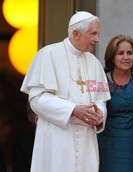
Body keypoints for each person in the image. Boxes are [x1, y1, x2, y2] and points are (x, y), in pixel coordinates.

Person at [20, 11, 111, 172]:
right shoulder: (47, 54)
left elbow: (100, 100)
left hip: (86, 141)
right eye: (93, 34)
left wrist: (99, 114)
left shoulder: (94, 63)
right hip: (56, 139)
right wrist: (73, 110)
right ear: (76, 34)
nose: (97, 39)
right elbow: (36, 99)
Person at [97, 34, 133, 172]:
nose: (126, 57)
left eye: (130, 53)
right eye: (120, 53)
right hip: (107, 147)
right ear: (112, 57)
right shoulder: (99, 80)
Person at [12, 103, 36, 172]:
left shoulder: (57, 138)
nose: (39, 117)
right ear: (29, 116)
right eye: (35, 113)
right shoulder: (21, 143)